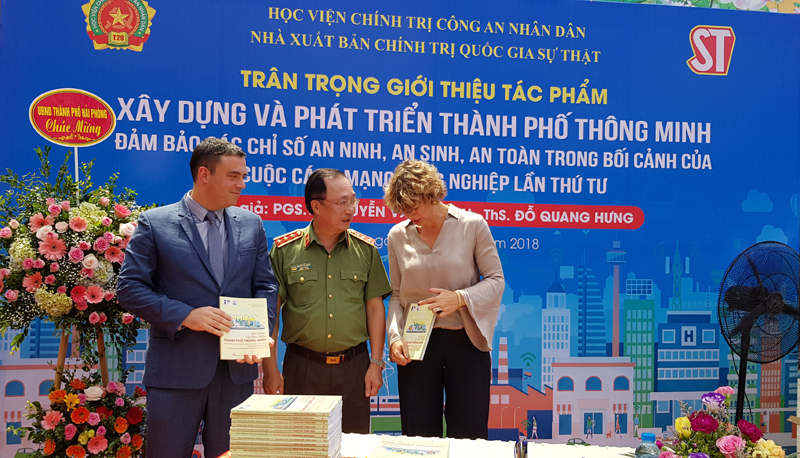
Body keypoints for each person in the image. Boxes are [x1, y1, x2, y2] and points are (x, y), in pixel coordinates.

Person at [118, 137, 278, 458]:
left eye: (243, 176)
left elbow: (266, 287)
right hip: (176, 373)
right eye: (233, 176)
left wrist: (258, 335)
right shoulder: (156, 223)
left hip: (235, 374)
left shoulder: (252, 224)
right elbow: (130, 289)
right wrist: (186, 315)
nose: (242, 184)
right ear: (204, 174)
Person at [262, 168, 391, 434]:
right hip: (303, 367)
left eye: (353, 201)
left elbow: (375, 308)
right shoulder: (285, 250)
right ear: (316, 206)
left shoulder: (366, 250)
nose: (351, 209)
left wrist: (376, 364)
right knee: (302, 445)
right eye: (342, 202)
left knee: (354, 446)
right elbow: (271, 312)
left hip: (354, 368)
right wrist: (270, 368)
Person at [383, 159, 504, 439]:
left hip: (466, 341)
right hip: (416, 344)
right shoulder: (397, 236)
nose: (409, 215)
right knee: (417, 436)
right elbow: (397, 295)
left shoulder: (472, 225)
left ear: (431, 195)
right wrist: (395, 338)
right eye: (403, 210)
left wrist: (460, 298)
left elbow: (496, 280)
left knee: (470, 436)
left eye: (413, 208)